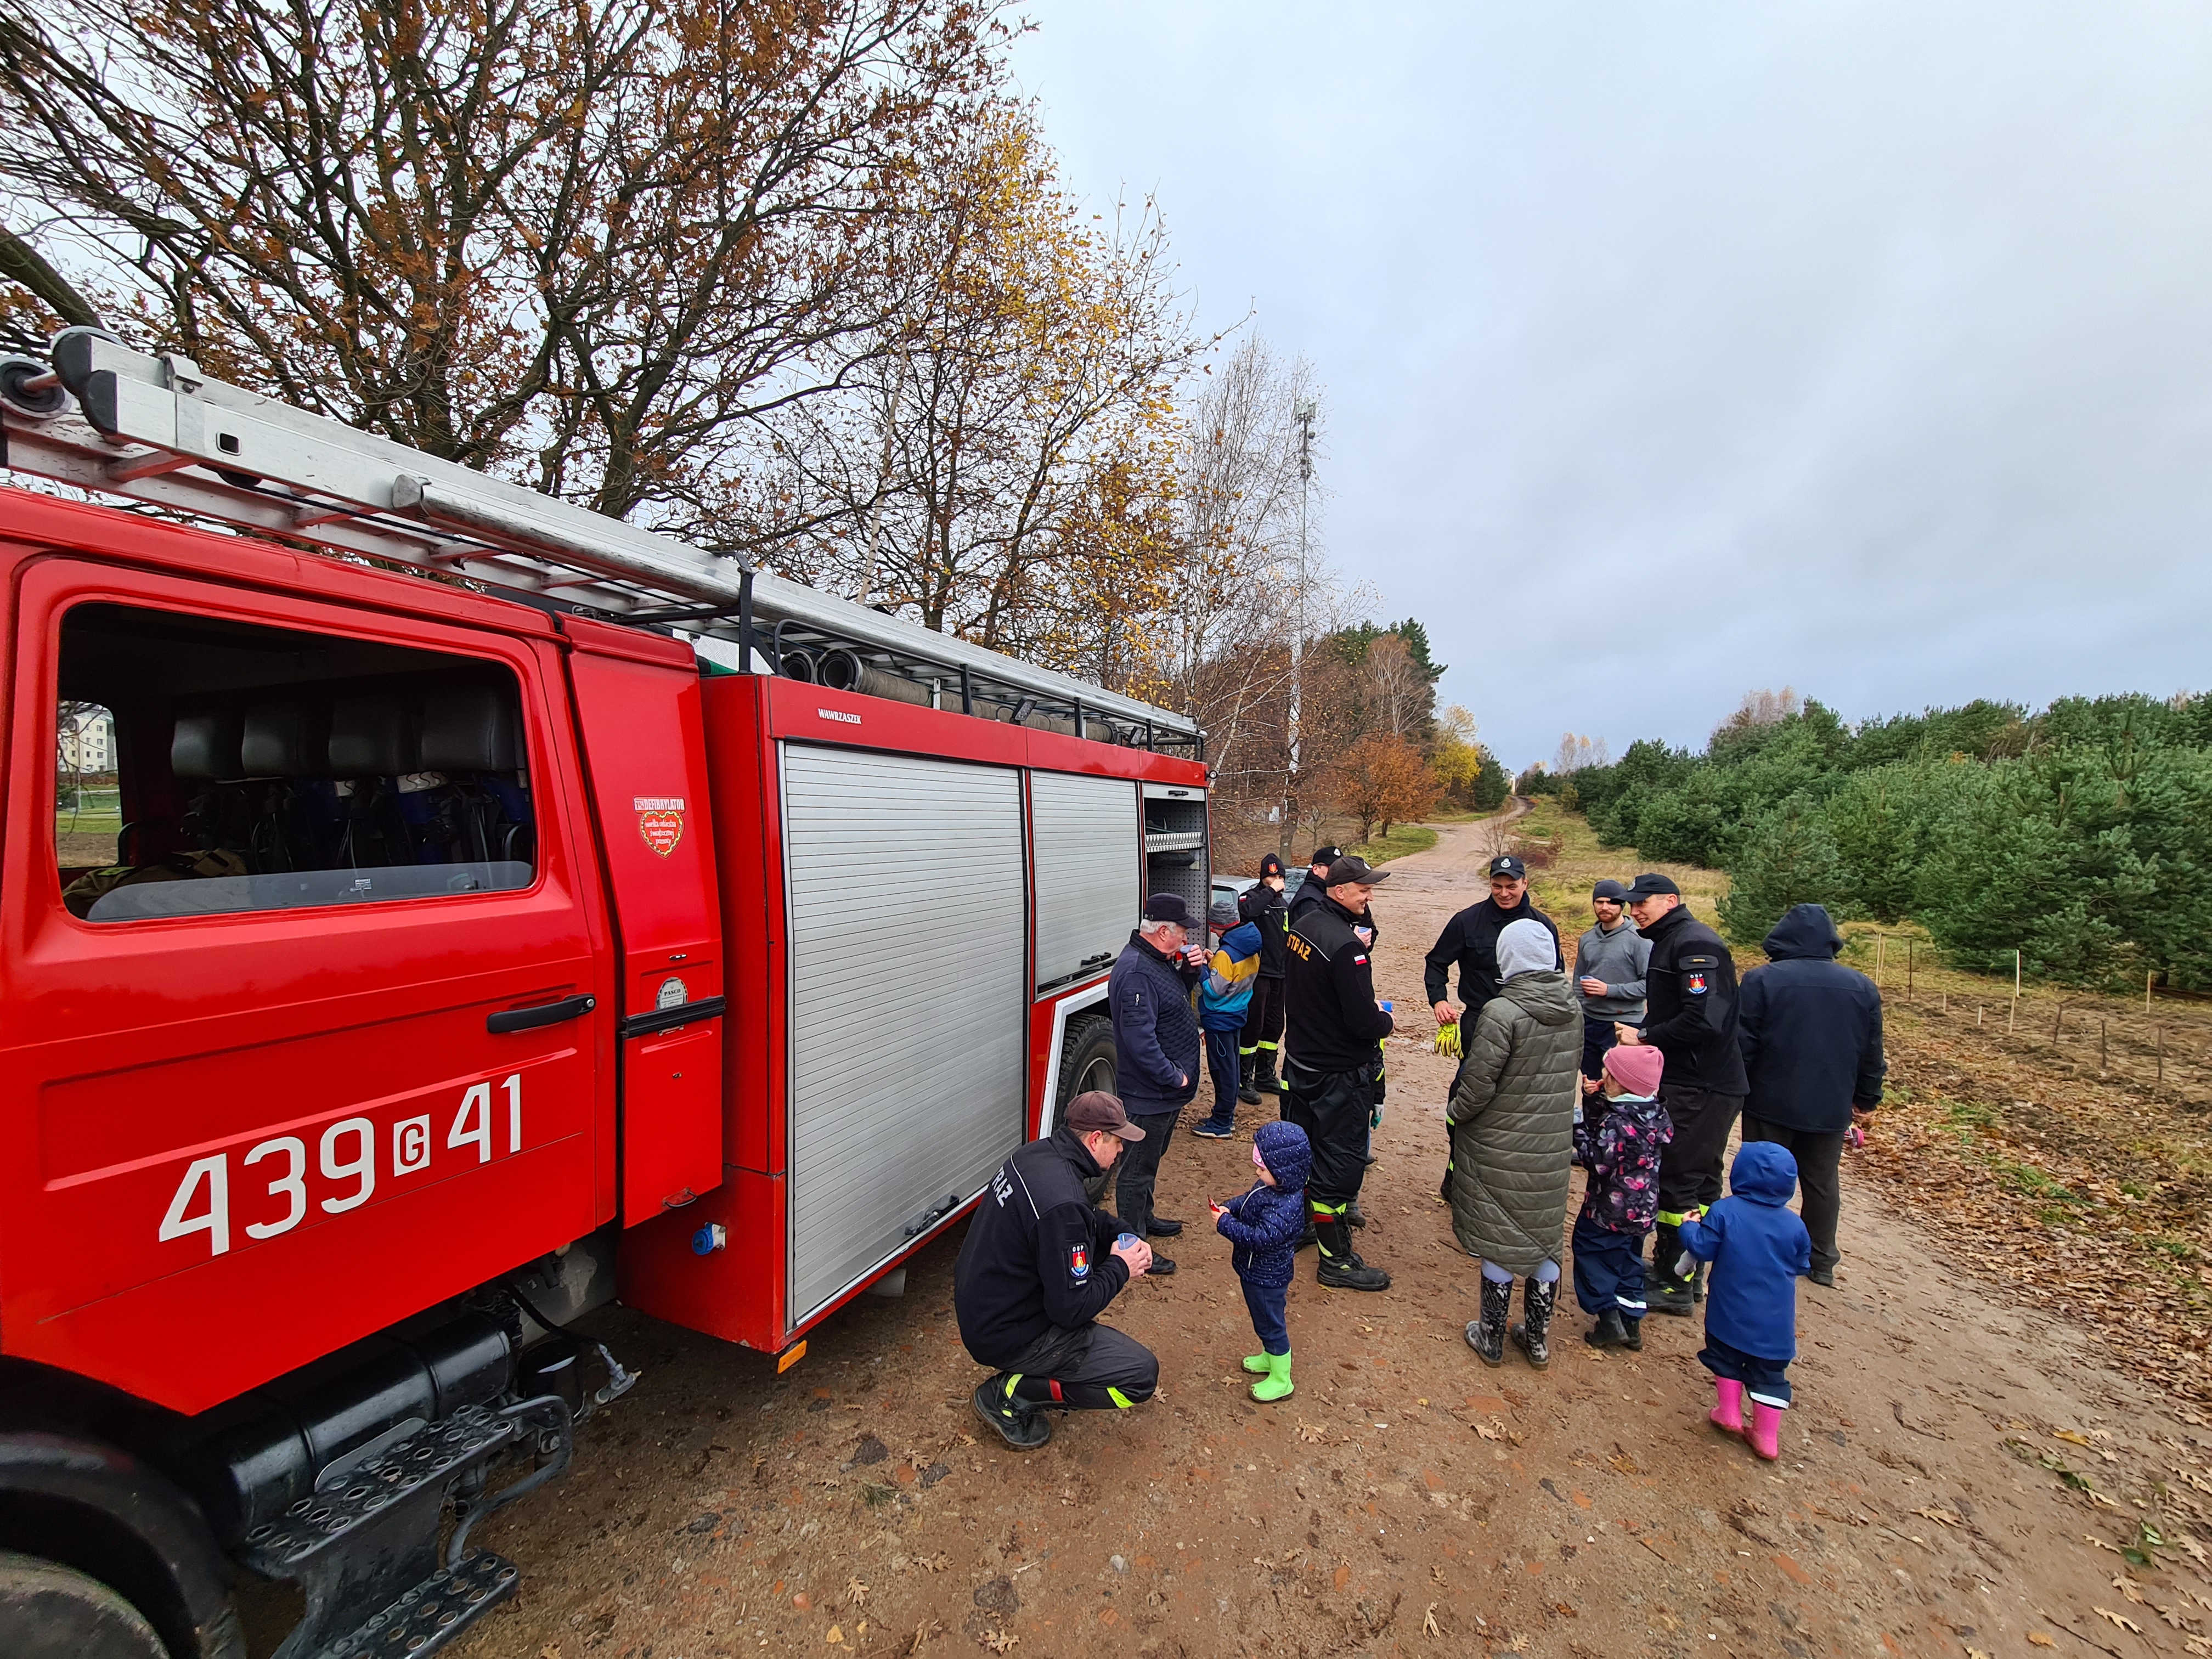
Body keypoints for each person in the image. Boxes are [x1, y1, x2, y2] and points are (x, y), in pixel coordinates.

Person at [955, 1091, 1158, 1449]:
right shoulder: (1063, 1204)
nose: (1121, 1151)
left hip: (983, 1307)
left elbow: (1085, 1219)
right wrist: (1121, 1267)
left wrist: (1120, 1231)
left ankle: (1022, 1379)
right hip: (1004, 1333)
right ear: (1096, 1139)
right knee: (1139, 1377)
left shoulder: (1037, 1154)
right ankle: (1008, 1395)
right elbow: (1070, 1310)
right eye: (1118, 1142)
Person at [1611, 872, 1748, 1317]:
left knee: (1677, 1178)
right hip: (1698, 1082)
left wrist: (1643, 1035)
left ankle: (1674, 1281)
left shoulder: (1696, 945)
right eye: (1631, 905)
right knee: (1702, 1178)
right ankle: (1688, 1273)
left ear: (1671, 900)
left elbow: (1703, 1019)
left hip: (1700, 1083)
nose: (1635, 911)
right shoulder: (1673, 941)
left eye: (1642, 903)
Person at [1448, 917, 1581, 1368]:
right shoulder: (1574, 1009)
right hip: (1550, 1147)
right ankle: (1538, 1339)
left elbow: (1478, 1084)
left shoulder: (1501, 1013)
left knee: (1500, 1237)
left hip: (1499, 1145)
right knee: (1543, 1236)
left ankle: (1491, 1336)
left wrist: (1456, 1113)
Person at [1736, 904, 1886, 1287]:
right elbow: (1871, 1051)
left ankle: (1756, 1249)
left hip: (1769, 1099)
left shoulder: (1762, 979)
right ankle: (1821, 1259)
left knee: (1761, 1176)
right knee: (1822, 1182)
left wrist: (1737, 1088)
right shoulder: (1862, 986)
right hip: (1830, 1103)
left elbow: (1744, 1043)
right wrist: (1866, 1098)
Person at [1282, 853, 1395, 1291]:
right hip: (1339, 1076)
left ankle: (1304, 1227)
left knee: (1304, 1153)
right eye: (1363, 889)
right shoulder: (1347, 947)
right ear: (1339, 891)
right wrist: (1386, 1021)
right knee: (1340, 1168)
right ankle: (1337, 1261)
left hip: (1301, 1065)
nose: (1369, 896)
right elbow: (1363, 1022)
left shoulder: (1305, 928)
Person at [1676, 1142, 1812, 1462]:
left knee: (1726, 1358)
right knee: (1770, 1375)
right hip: (1776, 1325)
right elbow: (1803, 1264)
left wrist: (1688, 1228)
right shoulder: (1795, 1225)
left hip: (1729, 1313)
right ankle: (1766, 1437)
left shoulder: (1726, 1210)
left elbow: (1704, 1248)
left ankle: (1729, 1413)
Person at [1107, 893, 1207, 1273]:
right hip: (1149, 1094)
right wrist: (1173, 1075)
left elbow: (1173, 1000)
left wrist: (1191, 972)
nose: (1186, 939)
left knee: (1149, 1161)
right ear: (1162, 930)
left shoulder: (1157, 961)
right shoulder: (1136, 972)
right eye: (1182, 931)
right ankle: (1134, 1248)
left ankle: (1144, 1219)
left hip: (1164, 1095)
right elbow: (1139, 1041)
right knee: (1135, 1172)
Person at [1569, 1041, 1671, 1351]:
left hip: (1607, 1211)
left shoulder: (1618, 1123)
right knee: (1630, 1261)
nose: (1602, 1077)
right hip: (1642, 1211)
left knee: (1592, 1255)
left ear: (1620, 1082)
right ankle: (1632, 1321)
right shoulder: (1656, 1115)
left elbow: (1597, 1160)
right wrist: (1597, 1100)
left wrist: (1575, 1126)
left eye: (1608, 1075)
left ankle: (1608, 1316)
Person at [1209, 1120, 1313, 1402]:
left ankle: (1282, 1379)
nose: (1257, 1172)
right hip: (1254, 1270)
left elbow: (1260, 1237)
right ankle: (1270, 1356)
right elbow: (1248, 1200)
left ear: (1283, 1171)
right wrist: (1230, 1207)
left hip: (1267, 1276)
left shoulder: (1286, 1206)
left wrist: (1225, 1224)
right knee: (1263, 1320)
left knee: (1271, 1323)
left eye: (1263, 1168)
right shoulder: (1271, 1188)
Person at [1425, 853, 1562, 1043]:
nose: (1504, 894)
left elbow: (1557, 976)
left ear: (1525, 884)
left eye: (1511, 887)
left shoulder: (1543, 926)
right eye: (1497, 886)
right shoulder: (1467, 921)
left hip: (1529, 1023)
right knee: (1472, 1074)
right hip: (1479, 1020)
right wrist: (1439, 1000)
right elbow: (1436, 962)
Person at [1574, 878, 1650, 1099]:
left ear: (1622, 905)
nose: (1605, 907)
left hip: (1624, 1025)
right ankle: (1588, 1131)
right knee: (1590, 1086)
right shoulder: (1587, 939)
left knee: (1618, 1088)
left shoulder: (1640, 940)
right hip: (1589, 1024)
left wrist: (1609, 990)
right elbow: (1578, 981)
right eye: (1599, 902)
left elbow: (1649, 985)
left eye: (1612, 902)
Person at [1194, 898, 1262, 1138]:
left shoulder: (1226, 954)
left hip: (1219, 1018)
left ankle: (1222, 1123)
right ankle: (1225, 1117)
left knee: (1222, 1071)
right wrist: (1215, 962)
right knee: (1231, 1067)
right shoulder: (1249, 946)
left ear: (1220, 926)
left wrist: (1202, 968)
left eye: (1213, 926)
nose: (1211, 930)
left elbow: (1214, 990)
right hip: (1237, 1013)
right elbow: (1236, 977)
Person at [1236, 854, 1291, 1103]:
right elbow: (1247, 912)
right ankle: (1243, 1078)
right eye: (1272, 877)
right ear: (1262, 877)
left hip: (1280, 974)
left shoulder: (1284, 905)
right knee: (1253, 1026)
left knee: (1274, 1025)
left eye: (1280, 877)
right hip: (1258, 974)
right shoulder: (1251, 897)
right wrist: (1270, 891)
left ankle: (1265, 1074)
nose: (1277, 881)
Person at [1286, 845, 1341, 926]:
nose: (1338, 871)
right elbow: (1317, 934)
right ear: (1316, 869)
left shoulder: (1327, 892)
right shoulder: (1310, 901)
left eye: (1340, 867)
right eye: (1333, 867)